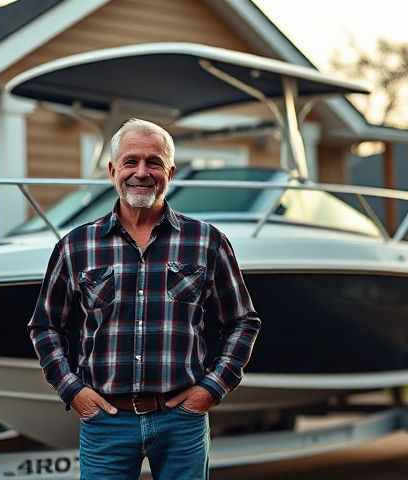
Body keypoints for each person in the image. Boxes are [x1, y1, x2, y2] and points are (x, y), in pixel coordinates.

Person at [28, 118, 261, 480]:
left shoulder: (206, 241)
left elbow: (242, 321)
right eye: (130, 161)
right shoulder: (76, 246)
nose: (141, 172)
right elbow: (45, 326)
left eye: (153, 162)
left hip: (182, 421)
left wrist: (212, 389)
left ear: (170, 171)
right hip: (106, 422)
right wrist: (73, 391)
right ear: (112, 170)